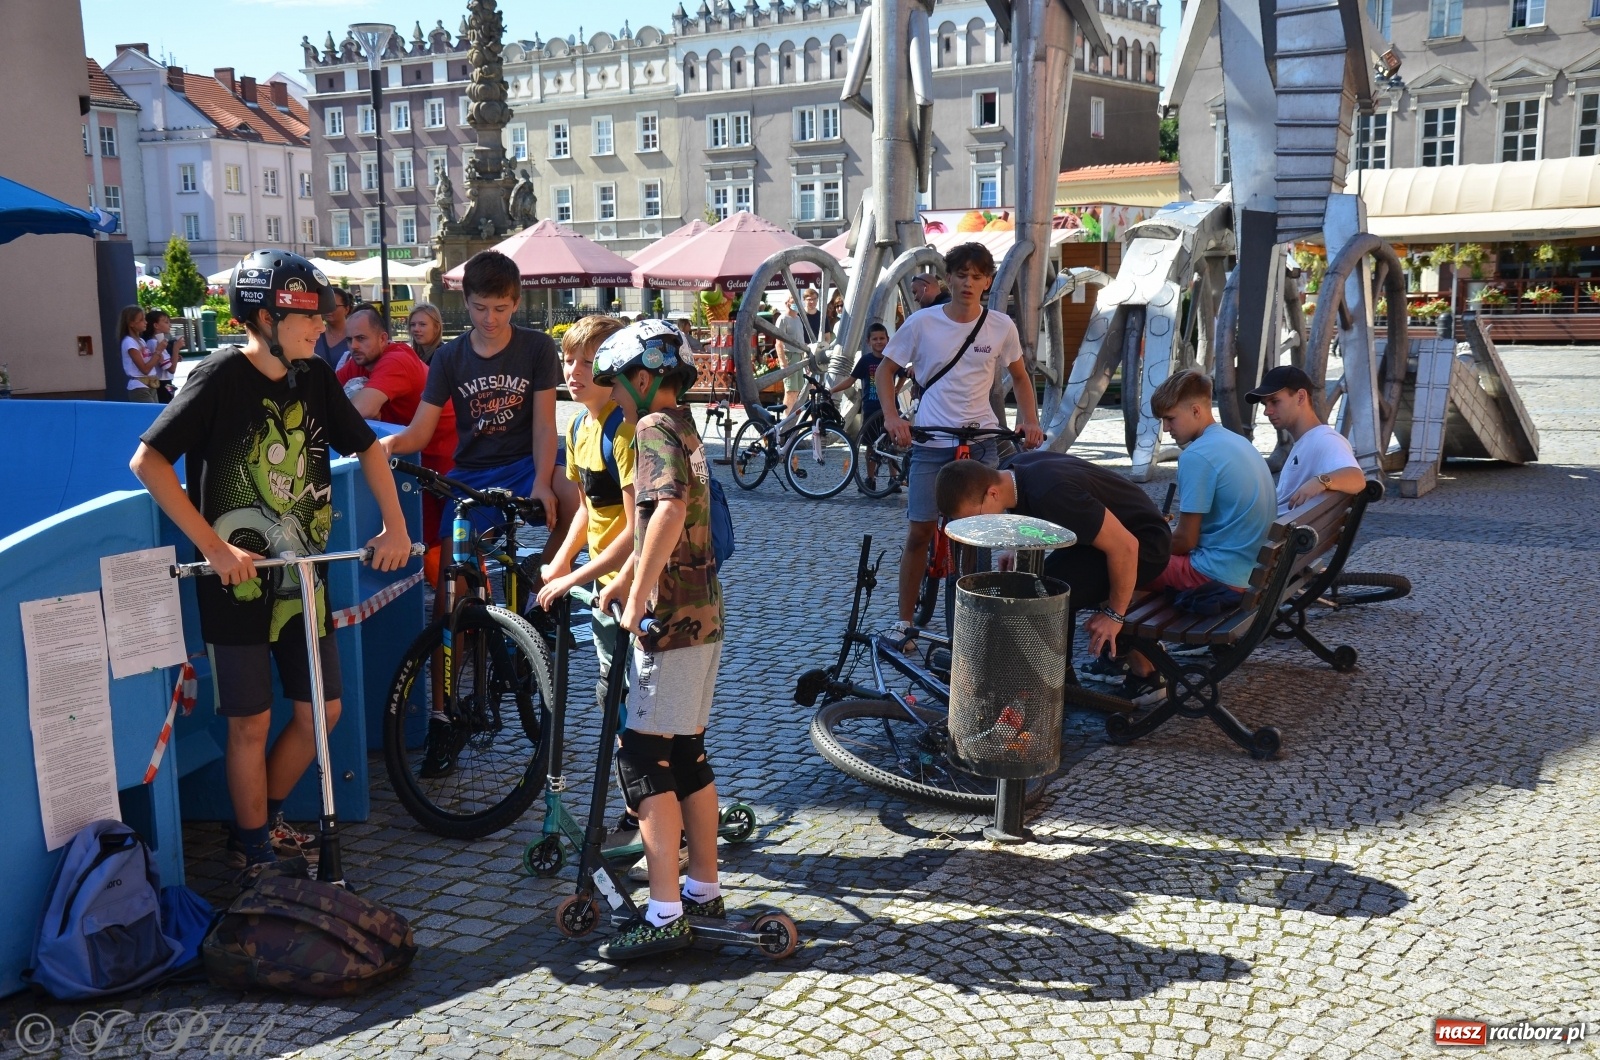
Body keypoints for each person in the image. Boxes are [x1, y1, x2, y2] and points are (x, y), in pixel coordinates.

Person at [129, 250, 412, 880]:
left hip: (302, 578)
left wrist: (394, 525)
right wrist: (214, 547)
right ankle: (251, 846)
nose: (321, 329)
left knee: (323, 711)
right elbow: (147, 462)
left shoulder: (312, 377)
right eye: (307, 317)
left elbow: (368, 449)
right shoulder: (218, 377)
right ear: (263, 316)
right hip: (236, 585)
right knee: (250, 723)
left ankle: (265, 819)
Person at [589, 321, 725, 960]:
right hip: (703, 614)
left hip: (668, 623)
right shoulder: (688, 426)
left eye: (616, 386)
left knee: (644, 758)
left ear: (642, 378)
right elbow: (664, 524)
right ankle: (703, 889)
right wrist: (624, 577)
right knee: (689, 754)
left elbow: (666, 508)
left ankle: (665, 910)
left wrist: (638, 596)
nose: (615, 397)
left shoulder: (650, 429)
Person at [877, 242, 1045, 644]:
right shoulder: (922, 323)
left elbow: (1021, 377)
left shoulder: (1001, 326)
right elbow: (886, 371)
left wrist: (1030, 421)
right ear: (947, 279)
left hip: (982, 440)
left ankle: (972, 626)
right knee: (920, 530)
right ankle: (904, 622)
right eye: (962, 275)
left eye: (977, 276)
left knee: (976, 538)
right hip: (933, 441)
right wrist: (892, 417)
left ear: (987, 282)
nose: (968, 283)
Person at [377, 249, 577, 573]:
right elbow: (420, 431)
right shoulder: (448, 357)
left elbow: (544, 426)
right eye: (480, 307)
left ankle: (545, 585)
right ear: (466, 300)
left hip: (527, 463)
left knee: (575, 496)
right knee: (452, 581)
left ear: (516, 302)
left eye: (500, 308)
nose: (490, 319)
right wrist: (390, 445)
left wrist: (541, 481)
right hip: (472, 472)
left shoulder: (537, 347)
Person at [535, 314, 650, 861]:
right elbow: (587, 509)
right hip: (603, 582)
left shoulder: (625, 432)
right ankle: (641, 799)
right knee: (615, 697)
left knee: (637, 700)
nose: (574, 373)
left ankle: (649, 804)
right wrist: (559, 561)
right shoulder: (579, 426)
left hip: (631, 582)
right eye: (568, 361)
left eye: (588, 362)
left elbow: (635, 526)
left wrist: (577, 577)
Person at [933, 452, 1171, 686]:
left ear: (992, 493)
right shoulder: (1010, 473)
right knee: (1043, 587)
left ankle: (1135, 677)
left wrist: (1114, 615)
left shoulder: (1053, 493)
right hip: (1107, 540)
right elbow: (1037, 518)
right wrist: (1017, 548)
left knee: (1046, 596)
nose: (978, 527)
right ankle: (1060, 680)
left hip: (1145, 547)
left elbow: (1127, 547)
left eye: (977, 519)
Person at [1119, 369, 1274, 702]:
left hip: (1220, 575)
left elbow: (1185, 542)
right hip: (1251, 570)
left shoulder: (1197, 456)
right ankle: (1137, 649)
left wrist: (1143, 539)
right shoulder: (1237, 442)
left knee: (1119, 563)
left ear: (1197, 410)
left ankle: (1144, 673)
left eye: (1170, 419)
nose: (1166, 429)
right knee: (1141, 559)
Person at [337, 306, 457, 546]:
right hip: (412, 458)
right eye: (349, 340)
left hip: (445, 458)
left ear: (383, 338)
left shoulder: (397, 359)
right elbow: (328, 394)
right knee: (424, 540)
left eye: (361, 338)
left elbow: (361, 409)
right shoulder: (361, 360)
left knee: (448, 545)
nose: (353, 346)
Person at [1247, 365, 1366, 515]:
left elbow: (1357, 478)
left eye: (1275, 401)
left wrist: (1321, 481)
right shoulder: (1308, 441)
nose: (1266, 411)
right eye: (1265, 404)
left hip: (1273, 535)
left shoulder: (1325, 439)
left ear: (1301, 397)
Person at [830, 322, 901, 491]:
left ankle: (894, 478)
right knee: (870, 445)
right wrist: (832, 390)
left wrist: (897, 388)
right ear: (869, 342)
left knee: (890, 445)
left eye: (882, 338)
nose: (879, 342)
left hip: (890, 408)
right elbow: (851, 380)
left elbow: (903, 372)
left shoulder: (891, 359)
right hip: (870, 408)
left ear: (887, 340)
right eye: (875, 339)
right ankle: (870, 479)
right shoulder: (865, 361)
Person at [118, 305, 159, 402]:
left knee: (156, 415)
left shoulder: (141, 341)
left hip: (151, 384)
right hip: (139, 387)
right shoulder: (129, 342)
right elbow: (145, 369)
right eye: (141, 320)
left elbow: (151, 365)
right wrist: (158, 352)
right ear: (131, 323)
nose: (145, 322)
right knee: (150, 415)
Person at [143, 310, 185, 403]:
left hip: (165, 383)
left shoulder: (153, 342)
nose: (169, 325)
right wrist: (176, 348)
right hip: (163, 383)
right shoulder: (156, 344)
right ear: (156, 325)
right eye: (166, 322)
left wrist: (174, 358)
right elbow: (171, 369)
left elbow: (165, 363)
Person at [774, 296, 807, 413]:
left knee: (797, 391)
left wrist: (805, 363)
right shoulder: (783, 319)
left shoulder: (798, 319)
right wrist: (783, 363)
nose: (797, 304)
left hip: (799, 357)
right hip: (789, 357)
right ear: (787, 303)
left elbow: (801, 342)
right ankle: (786, 419)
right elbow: (778, 343)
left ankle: (794, 419)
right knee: (790, 391)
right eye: (794, 302)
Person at [314, 286, 354, 370]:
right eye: (325, 305)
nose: (328, 309)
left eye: (333, 306)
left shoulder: (355, 337)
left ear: (346, 309)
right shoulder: (314, 335)